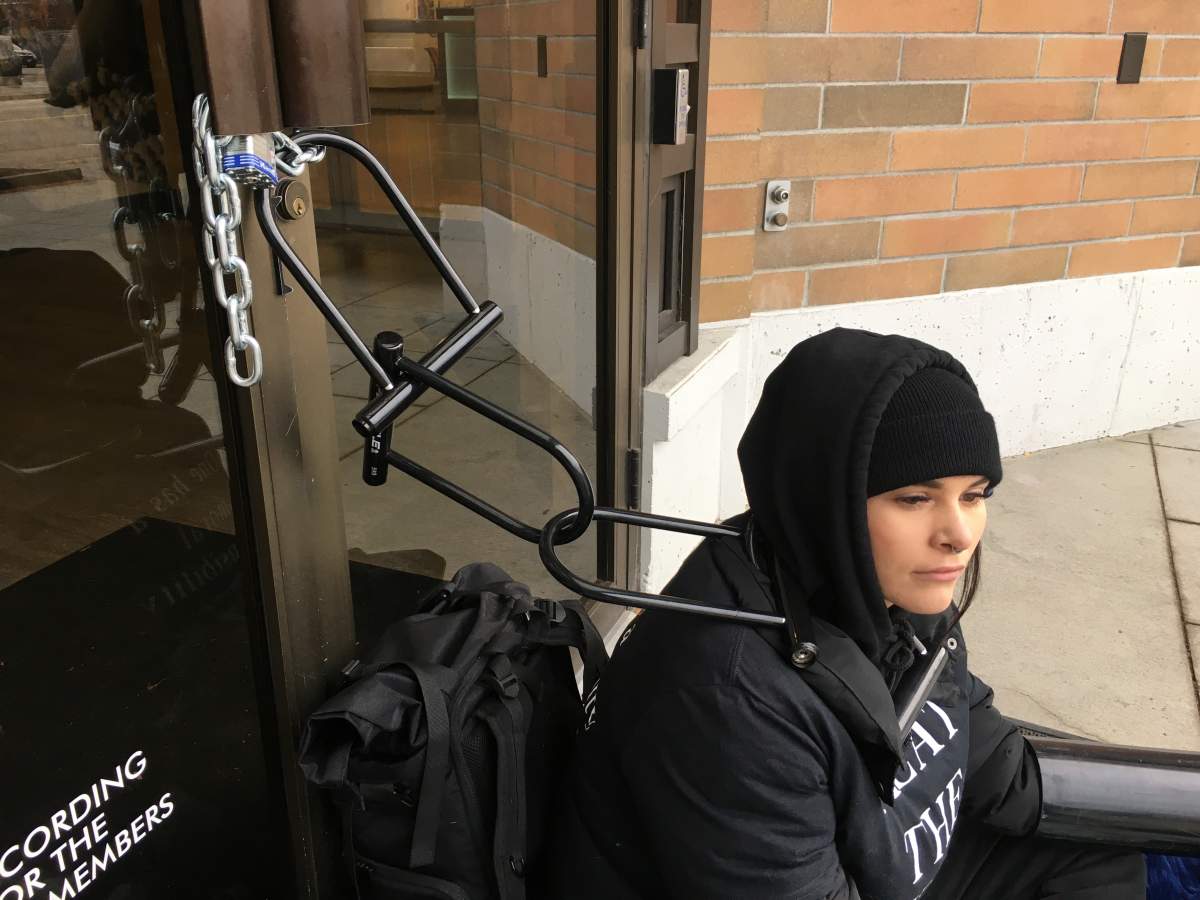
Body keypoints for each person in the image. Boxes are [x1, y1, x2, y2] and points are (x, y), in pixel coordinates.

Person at [548, 329, 1147, 899]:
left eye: (974, 494)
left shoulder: (883, 581)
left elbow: (985, 747)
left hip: (881, 859)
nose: (959, 534)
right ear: (824, 501)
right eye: (915, 498)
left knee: (1103, 851)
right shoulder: (729, 702)